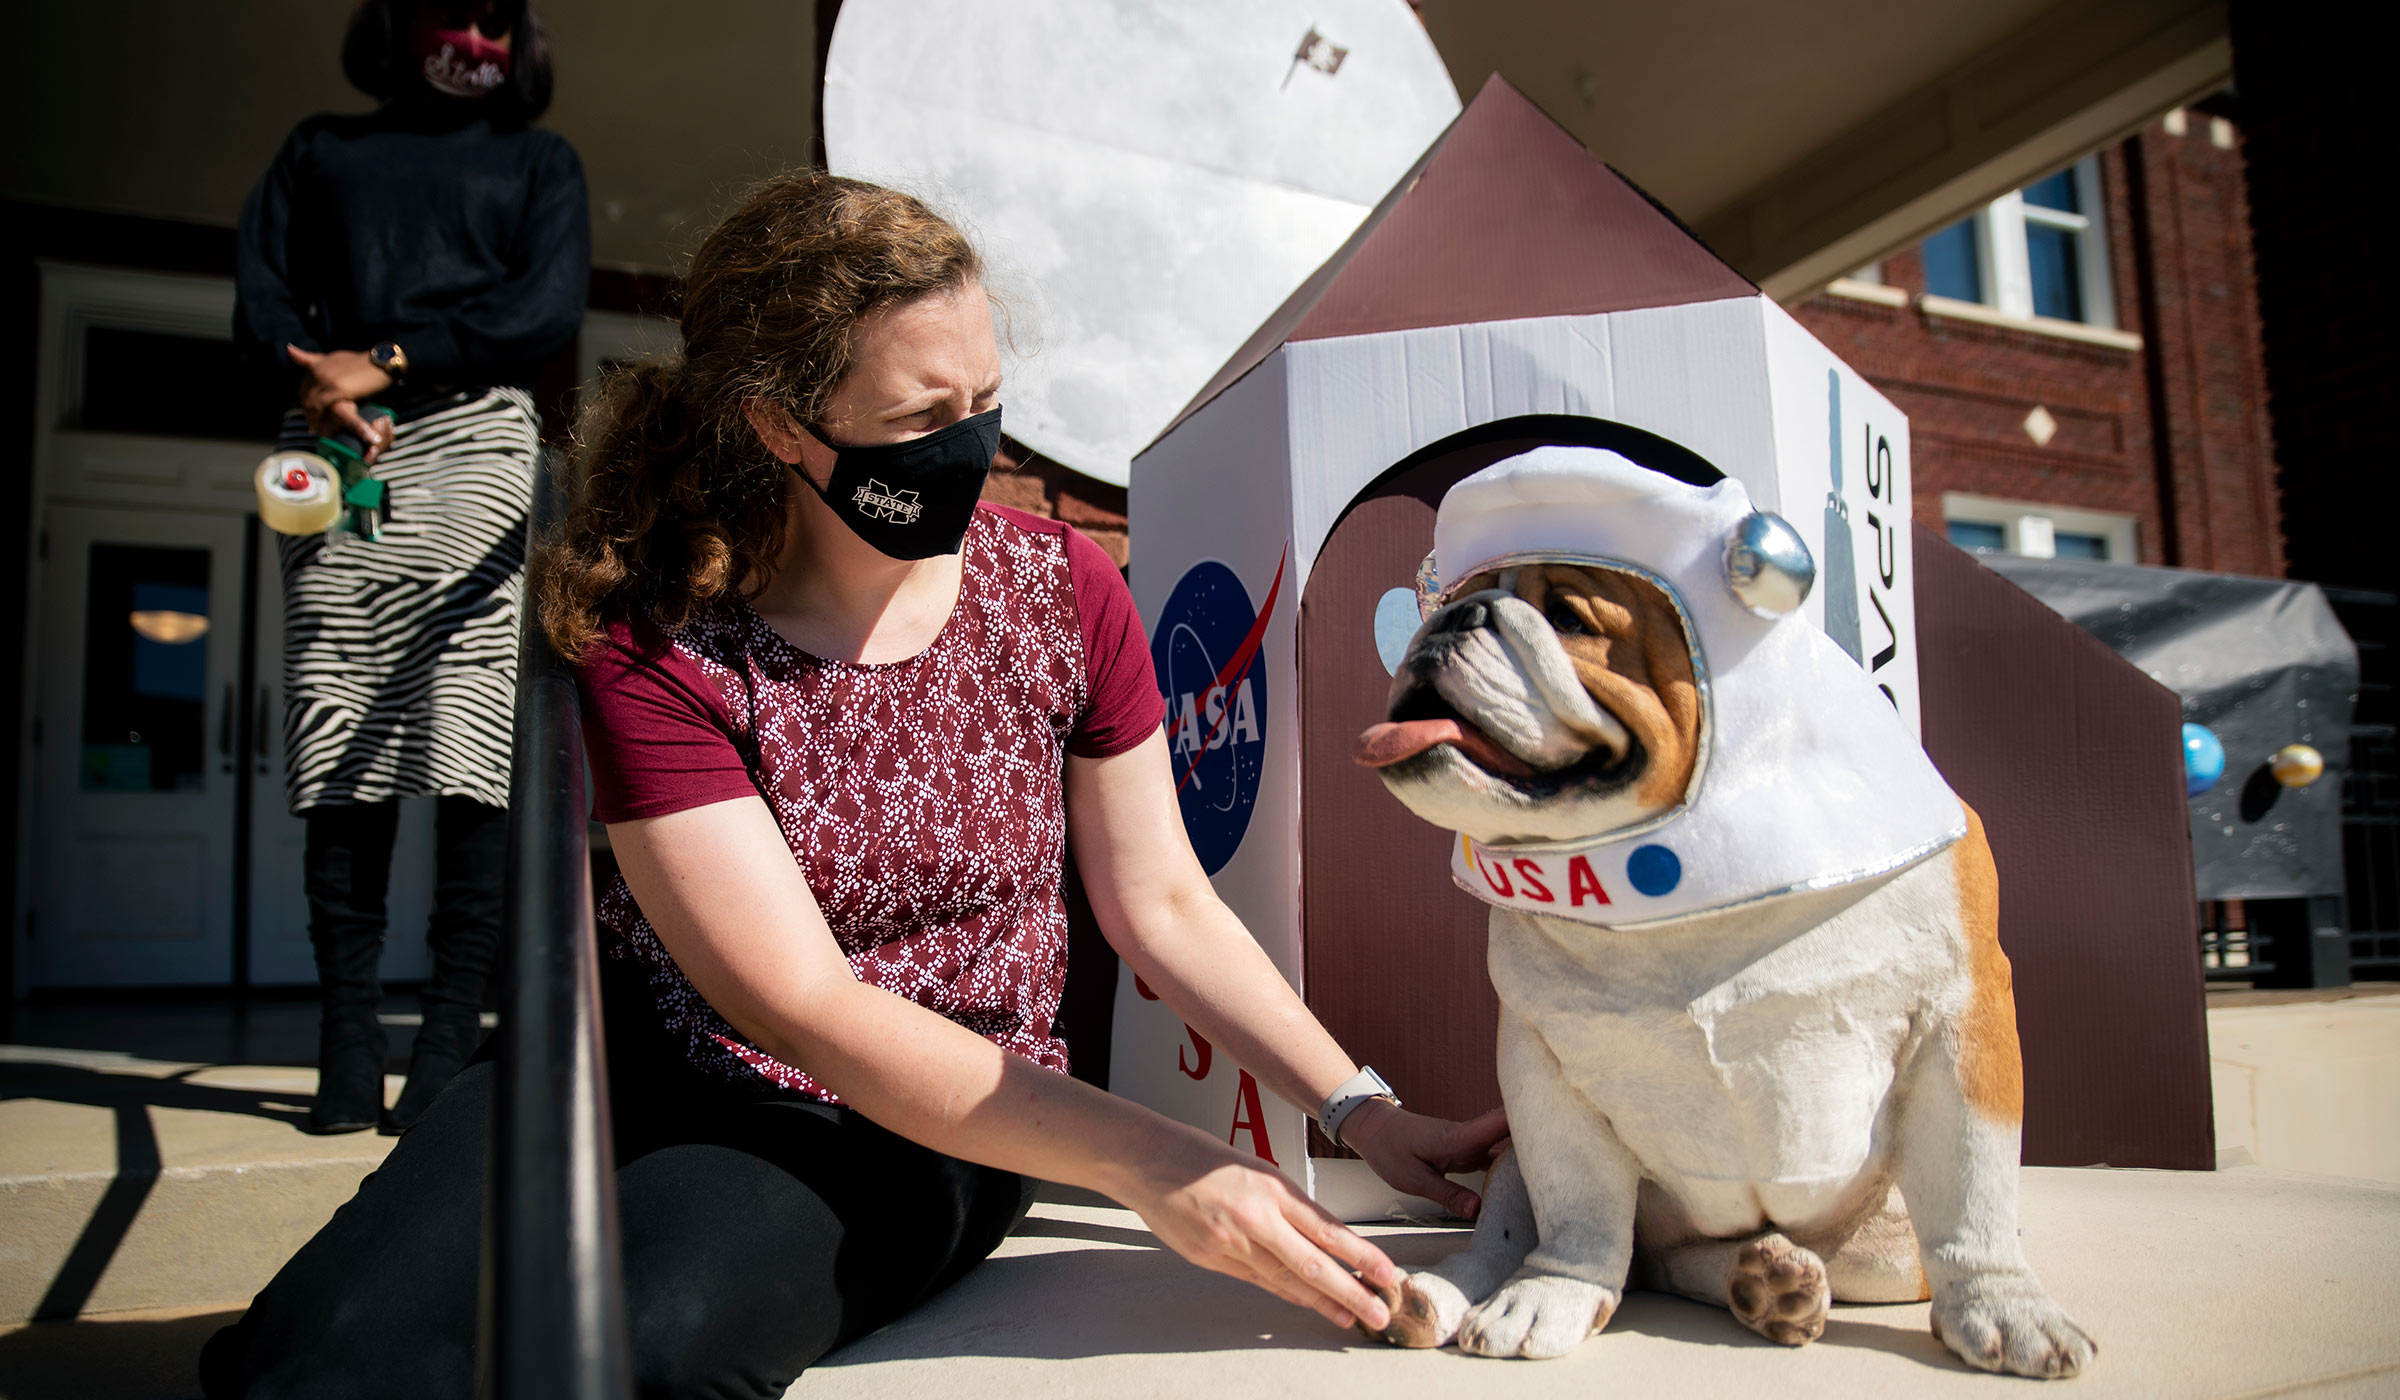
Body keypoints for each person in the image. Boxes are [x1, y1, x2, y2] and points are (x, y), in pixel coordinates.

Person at [200, 171, 1504, 1399]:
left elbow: (1162, 902)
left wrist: (1357, 1109)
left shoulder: (1063, 592)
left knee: (654, 1353)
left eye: (986, 399)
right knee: (320, 1362)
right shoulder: (661, 640)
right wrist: (1159, 1161)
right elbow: (800, 998)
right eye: (923, 420)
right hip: (655, 1069)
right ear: (779, 423)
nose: (974, 446)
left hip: (942, 1117)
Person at [231, 0, 587, 1135]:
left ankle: (442, 1039)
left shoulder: (538, 160)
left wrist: (381, 361)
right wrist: (324, 382)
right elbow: (261, 292)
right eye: (450, 12)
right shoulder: (321, 148)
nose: (471, 38)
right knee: (336, 721)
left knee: (466, 725)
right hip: (334, 444)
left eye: (495, 17)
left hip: (474, 437)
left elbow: (541, 306)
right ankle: (344, 1041)